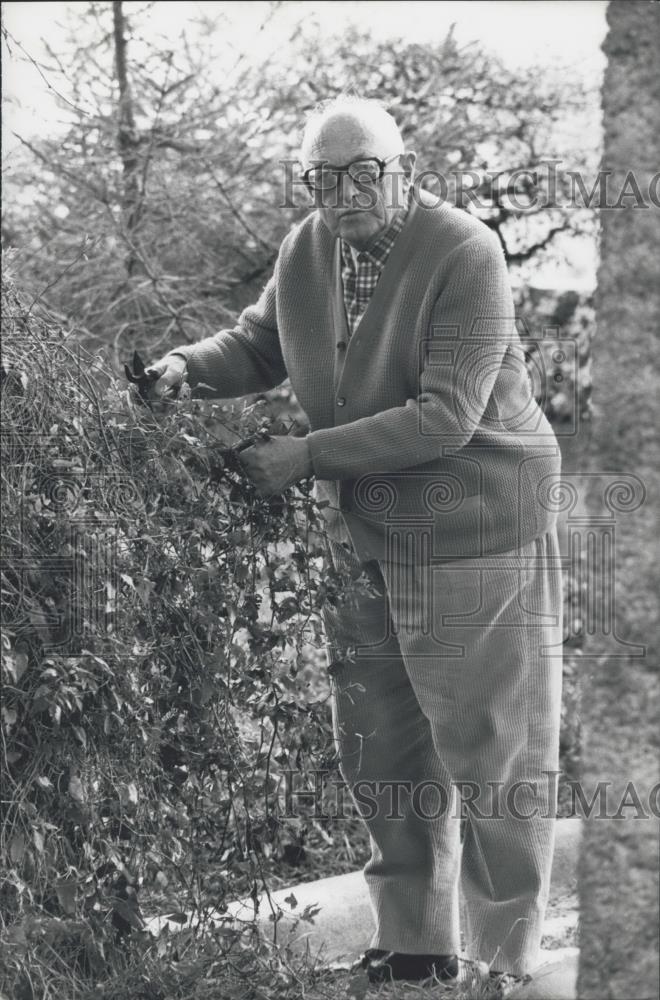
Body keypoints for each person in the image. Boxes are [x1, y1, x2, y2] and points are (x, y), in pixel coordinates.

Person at [148, 96, 563, 994]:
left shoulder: (463, 252)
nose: (343, 194)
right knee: (380, 749)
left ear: (403, 168)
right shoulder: (308, 249)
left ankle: (505, 965)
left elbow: (449, 416)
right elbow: (260, 343)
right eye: (323, 177)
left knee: (492, 753)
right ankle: (416, 943)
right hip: (368, 529)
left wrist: (304, 457)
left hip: (471, 528)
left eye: (363, 173)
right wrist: (187, 365)